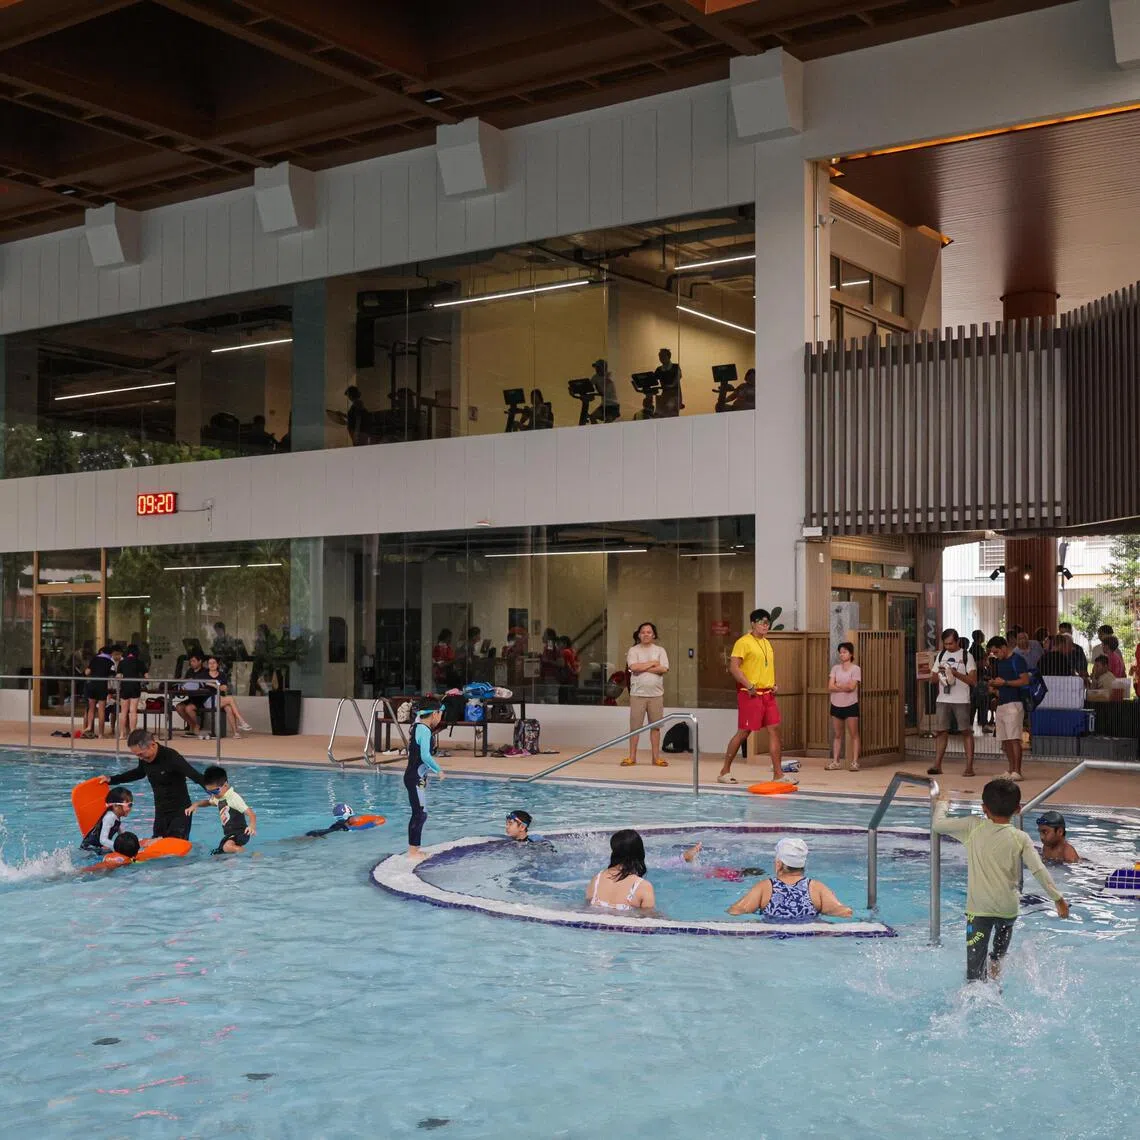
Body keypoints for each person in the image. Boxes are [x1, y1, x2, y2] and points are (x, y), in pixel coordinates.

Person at [933, 779, 1069, 983]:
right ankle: (996, 982)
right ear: (1018, 809)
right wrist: (1058, 899)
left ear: (984, 808)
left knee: (975, 974)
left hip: (979, 912)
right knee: (997, 958)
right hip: (1008, 911)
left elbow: (937, 825)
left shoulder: (972, 826)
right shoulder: (1020, 837)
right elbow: (1038, 870)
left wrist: (943, 803)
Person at [720, 609, 789, 785]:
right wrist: (749, 685)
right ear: (753, 623)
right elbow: (734, 667)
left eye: (767, 622)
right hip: (750, 693)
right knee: (744, 731)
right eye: (761, 622)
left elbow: (765, 667)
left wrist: (773, 683)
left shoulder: (767, 643)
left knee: (775, 729)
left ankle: (778, 774)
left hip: (767, 694)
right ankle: (724, 771)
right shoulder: (743, 642)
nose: (765, 625)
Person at [102, 729, 209, 839]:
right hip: (161, 812)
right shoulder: (144, 758)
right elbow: (139, 773)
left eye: (141, 754)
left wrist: (216, 793)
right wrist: (112, 779)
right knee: (156, 843)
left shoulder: (171, 757)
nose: (141, 758)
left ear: (152, 745)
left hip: (180, 812)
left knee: (174, 845)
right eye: (138, 755)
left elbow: (195, 776)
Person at [727, 837, 853, 919]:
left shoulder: (766, 887)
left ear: (779, 864)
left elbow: (735, 910)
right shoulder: (816, 888)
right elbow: (845, 912)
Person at [926, 628, 977, 779]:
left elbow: (973, 680)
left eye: (951, 643)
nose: (948, 646)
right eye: (946, 644)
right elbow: (933, 678)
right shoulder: (941, 655)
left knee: (965, 731)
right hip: (943, 699)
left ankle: (969, 766)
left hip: (961, 700)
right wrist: (937, 674)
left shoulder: (967, 656)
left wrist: (955, 674)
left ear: (958, 641)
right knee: (941, 731)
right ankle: (937, 765)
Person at [623, 622, 670, 767]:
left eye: (649, 632)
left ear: (653, 635)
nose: (646, 634)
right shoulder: (633, 650)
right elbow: (633, 667)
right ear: (639, 635)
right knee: (635, 728)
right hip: (637, 694)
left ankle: (656, 758)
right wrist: (652, 663)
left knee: (655, 727)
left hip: (656, 695)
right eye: (643, 632)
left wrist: (642, 668)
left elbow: (664, 669)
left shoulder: (660, 650)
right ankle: (632, 757)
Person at [186, 765, 257, 855]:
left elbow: (251, 814)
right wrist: (196, 804)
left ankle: (251, 854)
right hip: (229, 835)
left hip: (241, 832)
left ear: (225, 785)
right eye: (209, 792)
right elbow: (209, 802)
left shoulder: (233, 798)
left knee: (227, 847)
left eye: (215, 791)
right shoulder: (218, 797)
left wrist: (251, 826)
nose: (213, 795)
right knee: (216, 854)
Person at [986, 636, 1030, 780]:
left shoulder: (1017, 660)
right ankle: (1011, 770)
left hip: (1014, 703)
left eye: (996, 652)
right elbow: (1001, 682)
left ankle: (1017, 771)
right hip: (1001, 703)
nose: (995, 655)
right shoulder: (999, 662)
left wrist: (1005, 683)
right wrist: (995, 687)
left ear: (1004, 648)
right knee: (1005, 740)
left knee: (1014, 738)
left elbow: (1025, 680)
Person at [405, 704, 445, 860]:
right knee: (419, 814)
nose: (440, 718)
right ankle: (413, 852)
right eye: (440, 714)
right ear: (434, 713)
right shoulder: (424, 730)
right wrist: (438, 770)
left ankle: (415, 849)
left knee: (421, 813)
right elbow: (425, 756)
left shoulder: (418, 726)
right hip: (415, 777)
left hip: (416, 777)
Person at [586, 829, 655, 912]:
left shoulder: (596, 880)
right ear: (639, 852)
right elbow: (649, 917)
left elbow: (586, 908)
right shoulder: (643, 887)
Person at [826, 641, 861, 772]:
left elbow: (852, 687)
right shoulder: (835, 668)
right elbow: (830, 687)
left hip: (851, 704)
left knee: (854, 734)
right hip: (836, 704)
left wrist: (838, 685)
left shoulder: (856, 669)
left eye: (845, 652)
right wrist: (842, 687)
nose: (842, 655)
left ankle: (855, 762)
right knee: (837, 734)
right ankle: (836, 762)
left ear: (851, 654)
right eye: (840, 652)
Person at [203, 655, 254, 734]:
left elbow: (224, 688)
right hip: (209, 701)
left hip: (220, 699)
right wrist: (218, 685)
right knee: (230, 699)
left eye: (214, 663)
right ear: (207, 665)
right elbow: (200, 683)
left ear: (217, 664)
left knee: (229, 708)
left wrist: (213, 684)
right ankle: (241, 721)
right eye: (210, 663)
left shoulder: (222, 675)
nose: (212, 665)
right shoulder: (204, 675)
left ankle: (235, 733)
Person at [80, 787, 134, 853]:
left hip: (97, 847)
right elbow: (103, 840)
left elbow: (122, 835)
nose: (130, 808)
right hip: (88, 848)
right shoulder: (110, 817)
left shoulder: (116, 817)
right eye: (129, 805)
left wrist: (131, 843)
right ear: (115, 806)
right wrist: (119, 847)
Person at [82, 644, 117, 739]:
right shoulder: (110, 662)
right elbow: (113, 675)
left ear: (101, 652)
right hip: (102, 686)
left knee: (91, 708)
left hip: (92, 684)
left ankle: (89, 726)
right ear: (110, 654)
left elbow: (87, 672)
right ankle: (101, 734)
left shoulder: (94, 659)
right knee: (101, 710)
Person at [174, 652, 211, 735]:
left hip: (202, 699)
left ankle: (197, 726)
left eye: (194, 661)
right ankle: (192, 725)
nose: (191, 663)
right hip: (191, 698)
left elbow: (204, 685)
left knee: (188, 708)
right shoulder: (189, 671)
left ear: (200, 661)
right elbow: (185, 683)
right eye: (190, 661)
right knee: (179, 707)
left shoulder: (205, 671)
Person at [116, 643, 148, 737]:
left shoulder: (122, 662)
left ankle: (122, 734)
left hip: (125, 686)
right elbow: (147, 677)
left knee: (123, 712)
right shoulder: (140, 662)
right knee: (133, 711)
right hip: (135, 686)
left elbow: (118, 676)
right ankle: (132, 733)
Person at [969, 629, 993, 731]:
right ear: (979, 637)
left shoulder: (973, 648)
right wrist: (986, 660)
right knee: (982, 701)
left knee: (974, 702)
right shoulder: (977, 648)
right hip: (979, 678)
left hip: (975, 678)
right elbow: (979, 663)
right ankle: (984, 724)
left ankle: (971, 724)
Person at [653, 348, 683, 418]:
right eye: (660, 356)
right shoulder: (659, 369)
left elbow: (678, 377)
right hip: (665, 394)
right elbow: (653, 380)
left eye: (663, 356)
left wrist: (672, 385)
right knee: (659, 414)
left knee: (670, 410)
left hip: (674, 394)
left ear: (668, 356)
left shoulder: (675, 367)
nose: (661, 358)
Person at [556, 636, 580, 704]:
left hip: (567, 679)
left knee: (563, 699)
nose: (558, 645)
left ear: (565, 644)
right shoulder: (573, 651)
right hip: (574, 679)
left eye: (559, 643)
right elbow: (578, 664)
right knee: (572, 698)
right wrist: (576, 672)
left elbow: (561, 664)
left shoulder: (565, 652)